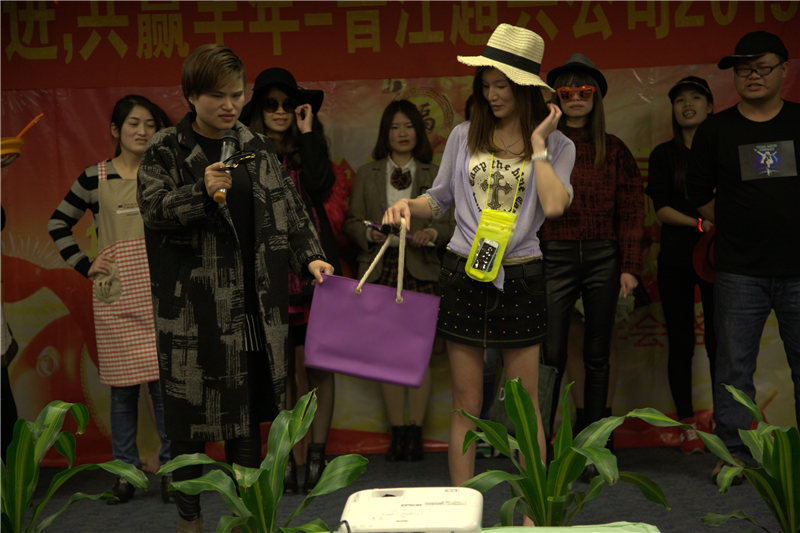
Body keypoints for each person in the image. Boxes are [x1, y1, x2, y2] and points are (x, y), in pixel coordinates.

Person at [137, 44, 333, 532]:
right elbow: (154, 210)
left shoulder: (254, 144)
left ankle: (248, 517)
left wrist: (311, 256)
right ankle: (189, 520)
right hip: (191, 313)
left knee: (246, 421)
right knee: (189, 426)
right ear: (190, 95)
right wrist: (199, 192)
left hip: (250, 307)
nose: (229, 105)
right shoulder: (166, 147)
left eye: (236, 94)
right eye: (217, 96)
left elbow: (290, 209)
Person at [382, 24, 575, 514]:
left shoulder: (558, 146)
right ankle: (461, 514)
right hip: (464, 270)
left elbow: (554, 207)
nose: (492, 95)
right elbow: (438, 200)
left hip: (522, 274)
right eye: (486, 85)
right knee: (466, 403)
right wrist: (407, 206)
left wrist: (537, 143)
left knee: (524, 406)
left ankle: (533, 515)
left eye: (502, 86)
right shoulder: (464, 135)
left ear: (526, 88)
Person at [685, 31, 799, 484]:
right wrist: (734, 221)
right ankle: (733, 454)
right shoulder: (717, 129)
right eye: (744, 69)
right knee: (733, 368)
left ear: (783, 70)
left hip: (797, 268)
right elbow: (697, 191)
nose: (753, 76)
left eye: (763, 67)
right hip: (738, 269)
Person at [47, 95, 172, 504]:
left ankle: (171, 471)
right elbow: (58, 223)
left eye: (150, 124)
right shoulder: (94, 178)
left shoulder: (165, 174)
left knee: (164, 391)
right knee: (122, 393)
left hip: (160, 294)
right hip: (117, 296)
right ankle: (125, 473)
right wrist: (85, 265)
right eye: (134, 123)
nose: (142, 131)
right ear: (116, 130)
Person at [539, 54, 644, 461]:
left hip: (604, 256)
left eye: (585, 91)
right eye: (566, 92)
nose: (576, 98)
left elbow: (632, 211)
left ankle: (596, 443)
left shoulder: (614, 149)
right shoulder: (543, 145)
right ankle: (541, 447)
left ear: (596, 97)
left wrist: (630, 267)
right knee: (551, 355)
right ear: (556, 98)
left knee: (598, 355)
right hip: (554, 255)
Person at [241, 67, 341, 493]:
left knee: (319, 365)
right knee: (280, 371)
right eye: (272, 105)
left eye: (289, 105)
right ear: (258, 111)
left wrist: (308, 131)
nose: (281, 112)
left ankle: (316, 457)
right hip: (270, 271)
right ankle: (285, 458)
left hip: (316, 269)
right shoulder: (245, 153)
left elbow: (322, 185)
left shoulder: (308, 145)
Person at [344, 99, 454, 462]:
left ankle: (416, 432)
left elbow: (452, 223)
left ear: (419, 132)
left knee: (419, 356)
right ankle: (398, 432)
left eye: (408, 126)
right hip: (381, 269)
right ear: (385, 134)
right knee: (386, 357)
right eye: (395, 127)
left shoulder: (435, 173)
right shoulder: (368, 173)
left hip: (422, 267)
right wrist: (368, 234)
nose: (402, 133)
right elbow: (351, 221)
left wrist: (432, 234)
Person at [646, 76, 716, 454]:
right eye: (679, 100)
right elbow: (661, 209)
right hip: (676, 255)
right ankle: (686, 423)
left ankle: (725, 419)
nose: (687, 105)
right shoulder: (664, 155)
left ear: (710, 106)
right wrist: (699, 223)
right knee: (681, 341)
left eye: (695, 98)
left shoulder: (721, 149)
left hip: (719, 255)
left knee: (721, 342)